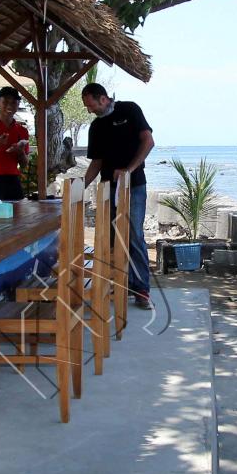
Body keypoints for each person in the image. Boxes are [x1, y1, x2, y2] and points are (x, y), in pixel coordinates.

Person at [81, 83, 155, 309]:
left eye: (91, 105)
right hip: (107, 189)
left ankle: (141, 287)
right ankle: (117, 281)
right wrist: (80, 186)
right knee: (110, 237)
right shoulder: (95, 127)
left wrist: (129, 170)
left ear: (103, 98)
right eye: (87, 107)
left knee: (133, 235)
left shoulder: (129, 110)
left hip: (134, 186)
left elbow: (148, 141)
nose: (90, 110)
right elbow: (96, 162)